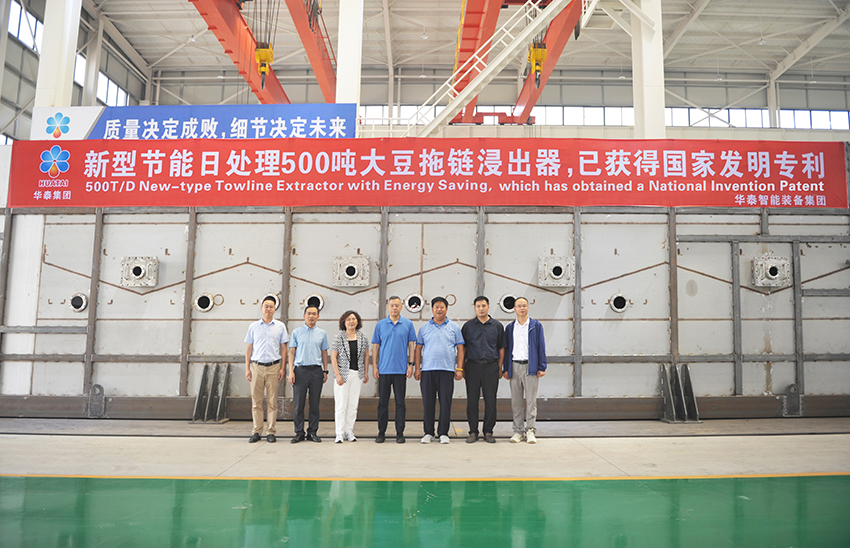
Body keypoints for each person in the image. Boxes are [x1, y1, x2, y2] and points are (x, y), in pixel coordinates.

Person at [414, 296, 464, 444]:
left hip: (447, 370)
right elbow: (418, 349)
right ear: (432, 309)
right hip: (427, 370)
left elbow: (460, 348)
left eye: (442, 307)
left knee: (445, 402)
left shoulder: (454, 327)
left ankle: (443, 433)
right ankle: (428, 432)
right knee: (428, 403)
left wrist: (459, 368)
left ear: (447, 309)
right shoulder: (424, 328)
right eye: (436, 307)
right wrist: (417, 368)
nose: (439, 310)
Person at [371, 296, 417, 443]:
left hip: (400, 370)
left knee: (400, 403)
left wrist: (411, 365)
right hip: (384, 370)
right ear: (388, 307)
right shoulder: (381, 325)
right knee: (382, 403)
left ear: (401, 307)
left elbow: (411, 345)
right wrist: (375, 366)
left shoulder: (408, 324)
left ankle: (400, 432)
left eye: (397, 305)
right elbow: (376, 346)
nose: (394, 308)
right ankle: (381, 432)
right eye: (392, 305)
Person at [244, 295, 289, 443]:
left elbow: (284, 348)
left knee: (272, 402)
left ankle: (270, 431)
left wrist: (282, 368)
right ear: (261, 308)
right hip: (256, 367)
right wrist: (247, 368)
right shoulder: (253, 326)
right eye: (266, 306)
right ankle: (256, 431)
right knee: (256, 402)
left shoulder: (280, 326)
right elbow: (249, 348)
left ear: (275, 309)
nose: (268, 309)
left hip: (273, 367)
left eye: (271, 306)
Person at [460, 296, 505, 444]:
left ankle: (488, 431)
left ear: (488, 307)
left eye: (483, 306)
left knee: (490, 400)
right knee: (472, 401)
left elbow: (502, 348)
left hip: (491, 366)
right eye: (478, 306)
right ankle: (473, 431)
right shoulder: (468, 326)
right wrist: (462, 367)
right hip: (472, 366)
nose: (481, 308)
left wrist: (499, 366)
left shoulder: (497, 326)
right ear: (474, 308)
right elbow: (463, 348)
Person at [503, 297, 546, 444]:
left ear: (528, 307)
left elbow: (541, 346)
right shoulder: (510, 328)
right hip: (514, 366)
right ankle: (518, 431)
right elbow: (507, 349)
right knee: (516, 401)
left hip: (531, 366)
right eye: (519, 306)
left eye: (524, 306)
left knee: (531, 401)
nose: (522, 308)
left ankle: (530, 430)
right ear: (514, 308)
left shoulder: (536, 326)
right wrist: (506, 368)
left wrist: (541, 366)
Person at [288, 305, 329, 443]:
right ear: (304, 316)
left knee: (314, 403)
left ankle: (312, 432)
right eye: (309, 313)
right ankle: (299, 432)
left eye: (314, 314)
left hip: (316, 371)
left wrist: (325, 370)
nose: (311, 316)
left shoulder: (322, 333)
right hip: (300, 371)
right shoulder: (296, 332)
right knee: (298, 404)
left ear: (318, 316)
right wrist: (290, 371)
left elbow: (324, 352)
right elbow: (291, 352)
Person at [330, 310, 370, 443]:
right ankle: (339, 433)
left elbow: (366, 355)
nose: (351, 321)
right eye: (348, 319)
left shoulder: (363, 337)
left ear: (357, 321)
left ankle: (349, 431)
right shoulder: (338, 337)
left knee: (353, 405)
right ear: (344, 322)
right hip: (342, 375)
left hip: (357, 375)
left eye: (353, 319)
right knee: (341, 405)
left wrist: (365, 373)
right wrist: (337, 374)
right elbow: (333, 357)